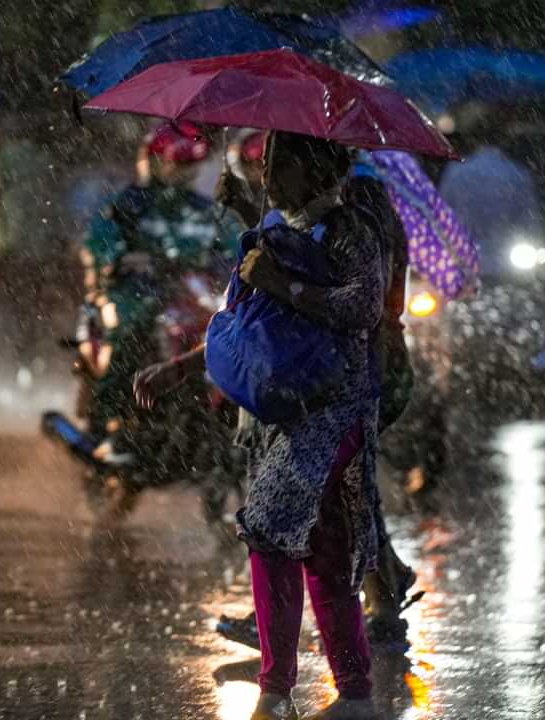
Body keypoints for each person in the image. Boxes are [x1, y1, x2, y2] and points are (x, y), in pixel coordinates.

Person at [135, 131, 384, 720]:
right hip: (277, 413)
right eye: (265, 161)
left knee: (273, 532)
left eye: (279, 162)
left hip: (333, 410)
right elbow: (240, 323)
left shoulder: (352, 230)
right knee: (321, 547)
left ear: (314, 168)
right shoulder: (268, 232)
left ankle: (278, 692)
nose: (266, 172)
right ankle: (353, 694)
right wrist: (180, 368)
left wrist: (286, 285)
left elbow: (363, 309)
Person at [80, 120, 242, 495]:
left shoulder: (207, 210)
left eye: (190, 166)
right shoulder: (127, 204)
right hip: (131, 296)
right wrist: (121, 257)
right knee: (134, 337)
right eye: (176, 164)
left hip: (190, 297)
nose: (183, 173)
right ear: (154, 160)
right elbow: (100, 240)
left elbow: (233, 246)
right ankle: (110, 427)